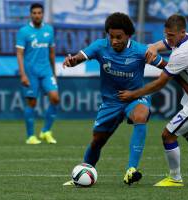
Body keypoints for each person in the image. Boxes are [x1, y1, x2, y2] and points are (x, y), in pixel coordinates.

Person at [62, 12, 169, 186]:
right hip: (110, 102)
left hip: (134, 98)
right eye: (111, 36)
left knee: (141, 115)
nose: (114, 41)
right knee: (97, 141)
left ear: (128, 35)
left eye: (118, 37)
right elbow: (80, 57)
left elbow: (169, 68)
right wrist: (72, 60)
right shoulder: (100, 46)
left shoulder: (141, 51)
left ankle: (131, 170)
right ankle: (83, 173)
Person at [118, 14, 188, 186]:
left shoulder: (182, 53)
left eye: (171, 36)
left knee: (168, 135)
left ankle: (175, 178)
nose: (168, 39)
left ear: (182, 32)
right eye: (166, 34)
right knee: (186, 131)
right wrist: (153, 46)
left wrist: (134, 94)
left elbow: (160, 83)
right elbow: (163, 44)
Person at [16, 3, 59, 144]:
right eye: (34, 13)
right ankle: (30, 136)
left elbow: (52, 53)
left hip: (46, 71)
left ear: (43, 14)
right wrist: (23, 74)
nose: (37, 15)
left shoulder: (49, 30)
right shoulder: (23, 31)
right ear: (30, 14)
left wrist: (54, 73)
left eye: (39, 13)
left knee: (55, 98)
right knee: (32, 103)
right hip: (30, 73)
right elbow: (19, 54)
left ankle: (46, 131)